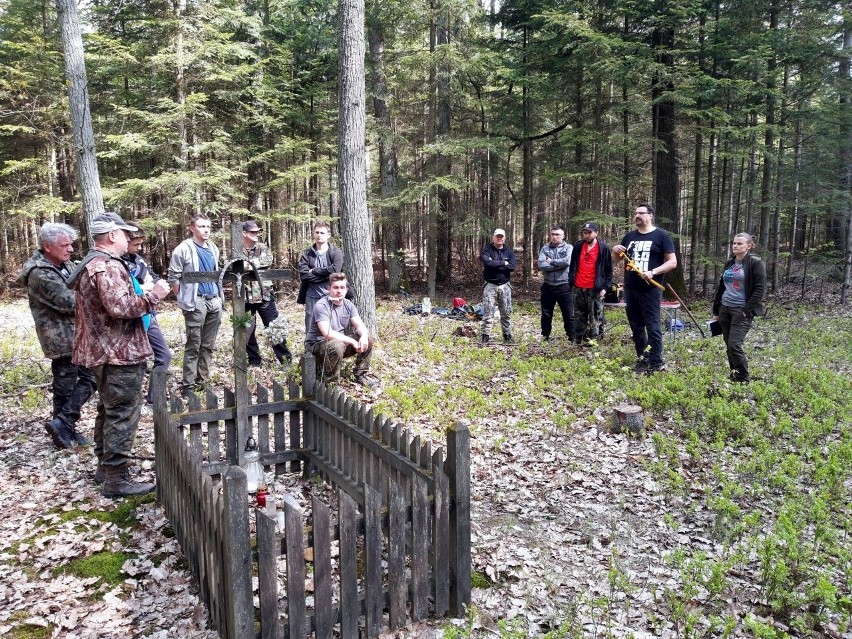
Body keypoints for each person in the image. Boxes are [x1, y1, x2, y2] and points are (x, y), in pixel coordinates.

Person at [68, 214, 170, 497]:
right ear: (112, 235)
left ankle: (106, 468)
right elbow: (120, 307)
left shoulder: (92, 263)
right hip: (118, 353)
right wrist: (154, 296)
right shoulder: (106, 266)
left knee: (109, 410)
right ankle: (116, 478)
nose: (128, 239)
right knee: (123, 413)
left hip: (105, 350)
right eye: (125, 234)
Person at [16, 222, 96, 449]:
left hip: (75, 334)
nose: (70, 249)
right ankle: (63, 428)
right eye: (65, 245)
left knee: (87, 379)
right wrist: (94, 295)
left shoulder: (64, 265)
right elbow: (69, 302)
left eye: (71, 245)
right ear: (47, 247)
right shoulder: (40, 273)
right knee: (67, 384)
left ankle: (63, 425)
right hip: (60, 337)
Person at [612, 204, 677, 373]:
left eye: (641, 213)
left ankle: (656, 361)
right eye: (635, 213)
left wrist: (653, 272)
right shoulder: (629, 236)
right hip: (630, 288)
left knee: (652, 325)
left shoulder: (661, 236)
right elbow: (619, 260)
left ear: (650, 216)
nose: (637, 216)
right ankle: (643, 359)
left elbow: (672, 262)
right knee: (636, 325)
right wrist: (615, 251)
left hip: (650, 290)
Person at [168, 213, 223, 395]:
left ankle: (203, 381)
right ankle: (188, 385)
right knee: (194, 344)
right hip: (196, 301)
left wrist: (218, 298)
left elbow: (217, 274)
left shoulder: (213, 248)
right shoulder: (183, 249)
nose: (206, 230)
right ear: (192, 228)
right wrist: (183, 298)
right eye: (201, 226)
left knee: (208, 345)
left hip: (214, 300)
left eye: (208, 226)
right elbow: (174, 277)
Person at [123, 221, 174, 405]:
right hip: (130, 319)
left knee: (164, 356)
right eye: (135, 244)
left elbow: (155, 279)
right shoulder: (117, 263)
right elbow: (128, 291)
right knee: (138, 363)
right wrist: (146, 288)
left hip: (148, 315)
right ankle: (132, 404)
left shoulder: (139, 260)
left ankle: (155, 399)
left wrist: (150, 287)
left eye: (140, 244)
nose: (139, 248)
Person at [712, 233, 766, 383]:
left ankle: (743, 377)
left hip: (741, 310)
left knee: (735, 344)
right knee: (728, 344)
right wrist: (716, 310)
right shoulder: (729, 263)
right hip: (725, 308)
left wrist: (745, 310)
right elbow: (722, 288)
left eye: (739, 244)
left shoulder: (755, 263)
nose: (735, 246)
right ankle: (734, 373)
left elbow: (759, 290)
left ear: (748, 246)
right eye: (734, 243)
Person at [304, 272, 375, 387]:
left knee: (368, 337)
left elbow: (360, 325)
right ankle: (332, 384)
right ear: (329, 289)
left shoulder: (349, 305)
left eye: (342, 287)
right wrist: (352, 341)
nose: (339, 291)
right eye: (335, 287)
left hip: (338, 344)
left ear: (346, 290)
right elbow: (327, 333)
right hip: (316, 346)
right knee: (337, 345)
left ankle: (360, 375)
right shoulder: (321, 305)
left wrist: (363, 337)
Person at [237, 220, 292, 366]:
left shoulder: (262, 247)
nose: (256, 234)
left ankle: (286, 361)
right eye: (252, 232)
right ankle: (255, 362)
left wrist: (247, 264)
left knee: (274, 327)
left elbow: (267, 260)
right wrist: (249, 264)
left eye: (257, 232)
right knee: (247, 332)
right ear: (244, 233)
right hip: (245, 297)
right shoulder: (237, 249)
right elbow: (232, 265)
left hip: (265, 295)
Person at [568, 222, 613, 346]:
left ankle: (594, 343)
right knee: (578, 316)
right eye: (585, 233)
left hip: (595, 289)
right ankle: (578, 341)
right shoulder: (578, 246)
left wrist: (605, 287)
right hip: (578, 287)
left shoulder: (603, 248)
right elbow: (573, 266)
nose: (587, 235)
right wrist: (570, 280)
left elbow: (609, 271)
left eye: (589, 232)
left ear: (596, 233)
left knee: (595, 318)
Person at [298, 221, 344, 334]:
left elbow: (335, 271)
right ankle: (309, 351)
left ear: (328, 235)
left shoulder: (336, 252)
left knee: (333, 324)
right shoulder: (307, 253)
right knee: (310, 325)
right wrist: (326, 276)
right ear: (314, 234)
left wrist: (313, 271)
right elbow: (304, 274)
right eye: (317, 232)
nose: (319, 235)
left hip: (331, 295)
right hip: (312, 296)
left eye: (322, 233)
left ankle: (333, 350)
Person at [537, 225, 574, 342]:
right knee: (546, 314)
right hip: (548, 286)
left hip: (564, 286)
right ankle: (545, 336)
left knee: (568, 314)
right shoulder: (545, 249)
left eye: (557, 234)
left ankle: (572, 337)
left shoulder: (568, 248)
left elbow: (568, 261)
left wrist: (551, 262)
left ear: (563, 236)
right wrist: (559, 266)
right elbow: (541, 265)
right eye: (553, 234)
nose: (555, 237)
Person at [480, 228, 517, 344]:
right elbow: (487, 262)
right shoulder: (487, 250)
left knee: (506, 313)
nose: (499, 238)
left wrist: (495, 264)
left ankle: (507, 335)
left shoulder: (509, 252)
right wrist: (503, 263)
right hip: (490, 285)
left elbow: (512, 267)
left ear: (504, 238)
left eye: (501, 237)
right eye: (497, 236)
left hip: (505, 286)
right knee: (488, 312)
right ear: (493, 238)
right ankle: (485, 336)